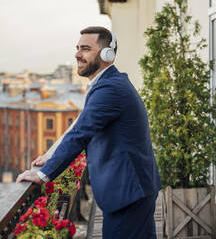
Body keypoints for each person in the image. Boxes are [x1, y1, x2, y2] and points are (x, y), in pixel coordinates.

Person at [16, 26, 162, 239]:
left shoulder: (110, 89)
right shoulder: (108, 84)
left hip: (128, 193)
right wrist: (48, 158)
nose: (77, 54)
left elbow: (80, 134)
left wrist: (42, 174)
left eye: (85, 49)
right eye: (77, 48)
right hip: (133, 189)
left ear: (106, 55)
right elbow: (78, 126)